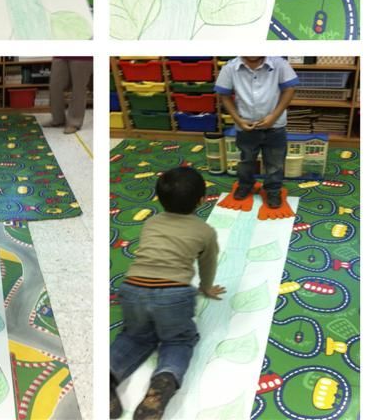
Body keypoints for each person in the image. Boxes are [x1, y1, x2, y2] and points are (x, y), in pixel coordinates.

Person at [110, 167, 224, 420]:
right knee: (177, 340)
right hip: (174, 294)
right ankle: (163, 382)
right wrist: (206, 287)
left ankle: (108, 378)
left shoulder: (151, 222)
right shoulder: (204, 231)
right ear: (201, 200)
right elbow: (208, 263)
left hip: (133, 288)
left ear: (159, 199)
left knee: (134, 336)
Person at [214, 56, 299, 208]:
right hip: (246, 126)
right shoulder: (229, 68)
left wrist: (274, 116)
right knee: (246, 160)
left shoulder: (280, 64)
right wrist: (238, 120)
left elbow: (290, 89)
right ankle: (246, 184)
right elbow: (224, 96)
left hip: (275, 126)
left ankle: (273, 190)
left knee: (275, 162)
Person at [47, 57, 93, 134]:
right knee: (55, 85)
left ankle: (74, 123)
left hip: (83, 56)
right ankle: (58, 119)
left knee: (79, 88)